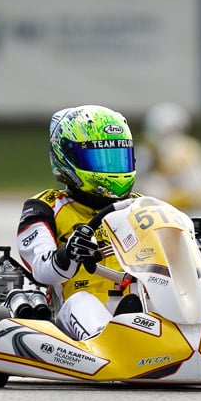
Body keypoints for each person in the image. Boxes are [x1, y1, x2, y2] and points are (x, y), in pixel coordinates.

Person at [16, 105, 140, 341]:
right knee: (82, 301)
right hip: (74, 318)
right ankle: (110, 342)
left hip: (142, 308)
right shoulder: (45, 207)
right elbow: (41, 270)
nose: (112, 170)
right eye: (101, 160)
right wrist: (68, 254)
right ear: (67, 158)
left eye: (118, 158)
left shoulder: (142, 207)